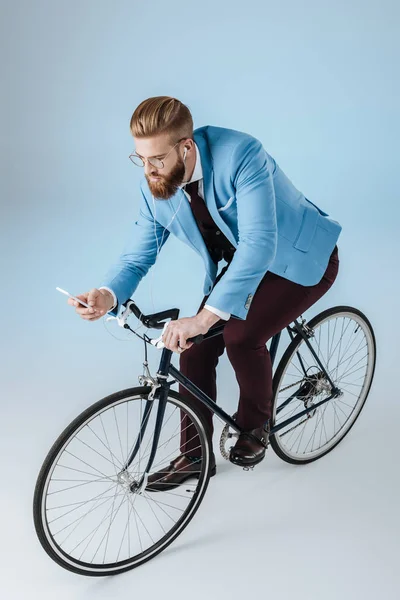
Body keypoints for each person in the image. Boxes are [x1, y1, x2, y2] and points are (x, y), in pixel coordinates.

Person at [68, 96, 342, 491]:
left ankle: (254, 427)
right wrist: (108, 295)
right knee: (192, 347)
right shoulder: (156, 183)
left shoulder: (241, 155)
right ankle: (195, 457)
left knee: (241, 336)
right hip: (247, 270)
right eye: (140, 159)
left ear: (186, 146)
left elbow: (259, 243)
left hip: (301, 258)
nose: (148, 170)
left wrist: (204, 317)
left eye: (157, 159)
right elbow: (137, 256)